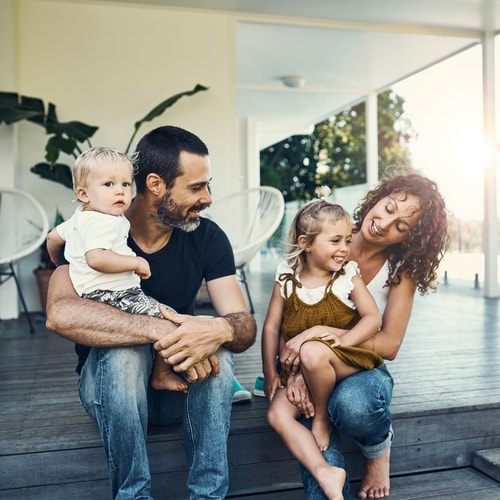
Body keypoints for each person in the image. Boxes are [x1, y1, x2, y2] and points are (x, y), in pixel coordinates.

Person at [45, 125, 257, 499]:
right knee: (125, 353)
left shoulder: (207, 237)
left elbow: (243, 325)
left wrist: (218, 331)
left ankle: (208, 495)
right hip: (110, 394)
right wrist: (157, 329)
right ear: (156, 184)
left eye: (208, 186)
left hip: (180, 387)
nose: (207, 198)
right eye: (196, 187)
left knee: (217, 346)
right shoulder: (92, 228)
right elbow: (60, 314)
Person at [279, 170, 449, 500]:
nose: (385, 223)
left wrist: (322, 337)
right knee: (307, 407)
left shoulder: (400, 271)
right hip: (308, 362)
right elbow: (286, 316)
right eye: (388, 208)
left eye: (401, 225)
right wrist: (293, 372)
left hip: (363, 368)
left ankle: (378, 447)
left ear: (408, 237)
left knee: (353, 405)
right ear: (377, 198)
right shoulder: (326, 234)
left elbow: (389, 344)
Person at [262, 200, 383, 499]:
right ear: (305, 243)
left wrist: (343, 341)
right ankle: (324, 471)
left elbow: (373, 318)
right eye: (335, 241)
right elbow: (272, 327)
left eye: (347, 240)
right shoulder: (287, 278)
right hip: (305, 366)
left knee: (314, 352)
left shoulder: (347, 277)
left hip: (345, 359)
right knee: (277, 415)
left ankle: (321, 419)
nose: (344, 248)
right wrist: (270, 372)